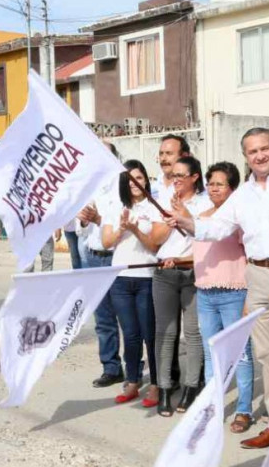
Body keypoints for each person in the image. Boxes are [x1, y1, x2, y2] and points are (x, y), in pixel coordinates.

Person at [170, 127, 269, 449]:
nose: (260, 156)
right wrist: (188, 222)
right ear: (246, 156)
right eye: (253, 152)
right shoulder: (242, 195)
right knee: (268, 356)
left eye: (265, 148)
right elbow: (218, 227)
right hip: (257, 275)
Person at [189, 161, 255, 434]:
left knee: (241, 353)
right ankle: (211, 406)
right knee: (211, 352)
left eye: (220, 184)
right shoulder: (201, 218)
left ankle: (243, 410)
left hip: (234, 293)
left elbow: (251, 256)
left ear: (232, 188)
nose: (214, 188)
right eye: (211, 183)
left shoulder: (239, 220)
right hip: (205, 293)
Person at [101, 160, 168, 407]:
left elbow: (154, 245)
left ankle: (156, 385)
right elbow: (107, 242)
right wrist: (121, 229)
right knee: (130, 335)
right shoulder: (115, 207)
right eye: (130, 180)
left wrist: (136, 229)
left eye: (139, 178)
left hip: (148, 277)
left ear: (146, 180)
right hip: (120, 278)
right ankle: (132, 381)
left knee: (150, 334)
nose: (135, 184)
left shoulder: (155, 207)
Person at [153, 156, 211, 416]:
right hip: (164, 273)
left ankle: (190, 388)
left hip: (193, 273)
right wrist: (167, 223)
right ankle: (164, 389)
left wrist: (185, 216)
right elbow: (154, 240)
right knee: (165, 333)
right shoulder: (163, 199)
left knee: (193, 333)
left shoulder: (206, 203)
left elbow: (204, 235)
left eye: (180, 175)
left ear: (194, 177)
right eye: (172, 175)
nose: (175, 179)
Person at [77, 142, 124, 388]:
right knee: (103, 318)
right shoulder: (88, 187)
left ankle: (137, 371)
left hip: (119, 258)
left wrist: (99, 218)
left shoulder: (125, 184)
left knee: (129, 319)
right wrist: (84, 221)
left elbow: (127, 222)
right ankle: (111, 367)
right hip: (93, 256)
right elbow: (80, 229)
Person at [150, 134, 191, 203]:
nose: (163, 159)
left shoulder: (196, 187)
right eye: (161, 154)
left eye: (169, 153)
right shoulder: (153, 188)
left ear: (184, 156)